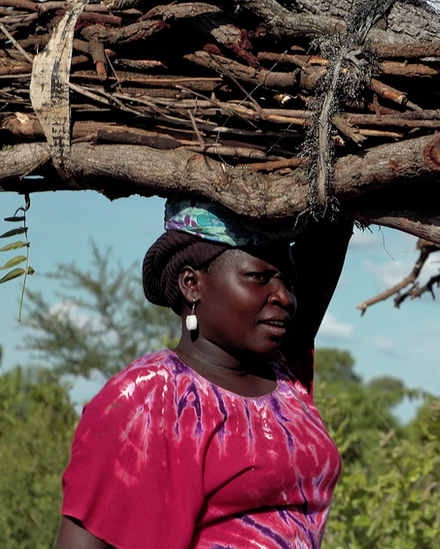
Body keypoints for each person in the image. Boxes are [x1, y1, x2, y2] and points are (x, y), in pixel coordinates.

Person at [54, 197, 353, 549]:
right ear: (191, 284)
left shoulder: (285, 375)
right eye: (259, 277)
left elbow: (332, 226)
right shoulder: (145, 398)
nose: (284, 297)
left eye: (288, 281)